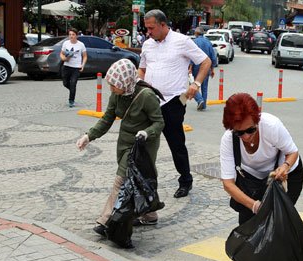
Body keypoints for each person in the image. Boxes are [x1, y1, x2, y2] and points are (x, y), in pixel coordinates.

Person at [76, 59, 165, 239]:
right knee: (140, 180)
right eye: (110, 84)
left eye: (114, 85)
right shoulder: (116, 95)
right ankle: (149, 214)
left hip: (143, 144)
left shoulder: (146, 96)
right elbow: (107, 119)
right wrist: (88, 136)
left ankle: (105, 220)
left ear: (125, 82)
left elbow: (159, 123)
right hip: (124, 142)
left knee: (121, 179)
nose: (111, 88)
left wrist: (146, 133)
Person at [138, 9, 212, 198]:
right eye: (146, 28)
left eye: (151, 28)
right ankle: (143, 181)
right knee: (143, 143)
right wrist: (138, 89)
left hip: (173, 102)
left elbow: (205, 62)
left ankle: (185, 180)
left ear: (163, 25)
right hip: (149, 101)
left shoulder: (182, 41)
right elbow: (142, 69)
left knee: (176, 144)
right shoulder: (147, 45)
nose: (148, 32)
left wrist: (196, 84)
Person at [220, 93, 303, 224]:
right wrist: (255, 206)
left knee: (277, 222)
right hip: (251, 182)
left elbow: (292, 152)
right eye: (239, 133)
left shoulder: (272, 126)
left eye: (250, 129)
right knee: (247, 227)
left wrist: (285, 166)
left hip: (284, 177)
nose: (246, 136)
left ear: (257, 121)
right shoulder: (228, 139)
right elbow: (228, 184)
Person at [189, 27, 217, 111]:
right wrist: (212, 70)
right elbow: (213, 57)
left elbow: (191, 56)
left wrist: (190, 68)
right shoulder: (208, 43)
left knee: (193, 84)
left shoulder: (194, 42)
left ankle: (199, 99)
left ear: (196, 34)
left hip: (196, 66)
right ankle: (203, 105)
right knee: (204, 86)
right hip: (207, 67)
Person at [60, 28, 87, 108]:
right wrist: (63, 58)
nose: (71, 36)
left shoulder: (81, 45)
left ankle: (71, 100)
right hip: (67, 66)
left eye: (73, 34)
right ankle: (72, 90)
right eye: (70, 34)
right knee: (65, 83)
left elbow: (85, 56)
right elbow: (61, 54)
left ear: (76, 36)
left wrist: (83, 65)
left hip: (76, 67)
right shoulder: (65, 43)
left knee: (73, 83)